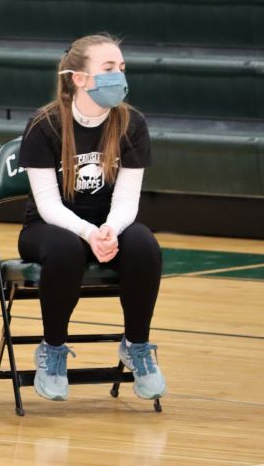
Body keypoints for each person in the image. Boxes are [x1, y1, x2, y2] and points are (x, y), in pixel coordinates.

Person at [18, 33, 167, 403]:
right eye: (109, 68)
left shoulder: (132, 124)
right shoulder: (45, 125)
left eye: (121, 68)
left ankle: (136, 344)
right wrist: (88, 233)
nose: (119, 75)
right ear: (79, 78)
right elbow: (48, 204)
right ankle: (52, 349)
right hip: (49, 227)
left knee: (145, 246)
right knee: (65, 250)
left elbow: (128, 197)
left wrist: (110, 230)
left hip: (108, 223)